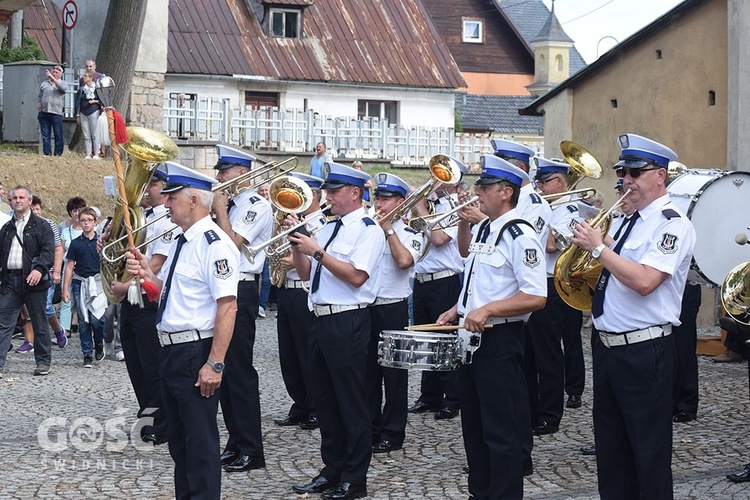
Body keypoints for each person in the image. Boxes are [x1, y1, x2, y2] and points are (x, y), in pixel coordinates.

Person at [570, 133, 696, 498]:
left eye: (635, 173)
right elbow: (615, 269)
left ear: (660, 175)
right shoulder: (629, 221)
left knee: (648, 454)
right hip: (608, 346)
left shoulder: (671, 224)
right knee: (612, 454)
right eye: (623, 172)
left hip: (645, 352)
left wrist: (598, 249)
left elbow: (644, 281)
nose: (626, 180)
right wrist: (597, 245)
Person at [125, 162, 239, 500]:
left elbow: (228, 306)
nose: (166, 202)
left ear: (193, 201)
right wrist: (146, 273)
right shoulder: (181, 241)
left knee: (200, 442)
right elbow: (167, 295)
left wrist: (215, 363)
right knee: (179, 441)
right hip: (172, 349)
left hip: (195, 351)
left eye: (172, 197)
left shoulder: (214, 243)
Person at [437, 154, 547, 498]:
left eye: (484, 187)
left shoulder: (520, 234)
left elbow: (535, 295)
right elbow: (476, 277)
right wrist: (458, 309)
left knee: (502, 431)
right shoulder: (485, 226)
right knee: (474, 427)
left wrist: (487, 310)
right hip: (472, 338)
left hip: (500, 339)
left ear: (505, 192)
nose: (477, 192)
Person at [289, 161, 384, 500]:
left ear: (355, 193)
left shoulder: (369, 229)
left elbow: (357, 276)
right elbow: (304, 274)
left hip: (348, 320)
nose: (327, 196)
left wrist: (317, 251)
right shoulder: (328, 228)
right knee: (325, 401)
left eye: (334, 191)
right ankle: (332, 469)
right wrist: (296, 244)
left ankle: (354, 478)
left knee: (351, 401)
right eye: (327, 190)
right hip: (319, 318)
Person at [211, 145, 272, 473]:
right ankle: (235, 441)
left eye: (224, 172)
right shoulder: (230, 204)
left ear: (242, 173)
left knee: (241, 371)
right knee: (224, 368)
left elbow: (232, 244)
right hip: (224, 286)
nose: (219, 178)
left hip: (243, 287)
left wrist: (220, 209)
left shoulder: (255, 205)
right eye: (219, 171)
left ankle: (252, 447)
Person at [109, 165, 176, 444]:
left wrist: (124, 285)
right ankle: (147, 416)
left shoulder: (168, 221)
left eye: (153, 183)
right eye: (147, 182)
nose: (146, 188)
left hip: (147, 297)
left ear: (165, 188)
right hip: (131, 302)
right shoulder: (141, 217)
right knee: (136, 364)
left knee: (151, 365)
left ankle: (162, 423)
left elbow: (157, 264)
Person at [525, 157, 584, 436]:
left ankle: (550, 414)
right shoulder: (542, 206)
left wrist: (542, 216)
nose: (539, 187)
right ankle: (531, 409)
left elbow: (550, 246)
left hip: (553, 285)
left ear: (559, 182)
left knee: (548, 353)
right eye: (538, 182)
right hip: (533, 284)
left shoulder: (568, 211)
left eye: (544, 182)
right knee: (530, 352)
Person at [407, 157, 468, 421]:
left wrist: (420, 208)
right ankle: (429, 395)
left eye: (441, 176)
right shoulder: (429, 205)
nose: (434, 181)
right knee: (425, 341)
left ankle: (453, 397)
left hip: (444, 281)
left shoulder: (455, 207)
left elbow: (441, 239)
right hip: (421, 280)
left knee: (446, 340)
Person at [367, 173, 424, 454]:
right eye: (378, 197)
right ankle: (371, 428)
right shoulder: (367, 229)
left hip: (392, 307)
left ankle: (392, 432)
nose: (379, 203)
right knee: (367, 374)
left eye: (386, 199)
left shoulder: (412, 233)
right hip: (366, 307)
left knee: (394, 375)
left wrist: (389, 230)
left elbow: (404, 262)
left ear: (401, 203)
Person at [273, 172, 325, 430]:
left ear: (313, 195)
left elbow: (327, 256)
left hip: (305, 290)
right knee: (289, 354)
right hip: (287, 288)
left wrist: (297, 260)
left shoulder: (322, 223)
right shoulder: (289, 220)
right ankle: (300, 404)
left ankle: (316, 406)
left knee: (308, 353)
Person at [0, 185, 56, 377]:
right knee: (4, 323)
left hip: (34, 281)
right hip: (10, 280)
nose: (18, 200)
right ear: (9, 201)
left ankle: (43, 361)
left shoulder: (42, 225)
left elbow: (49, 252)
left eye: (21, 197)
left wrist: (40, 270)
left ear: (29, 201)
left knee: (39, 322)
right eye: (14, 197)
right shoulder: (6, 228)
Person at [62, 207, 106, 367]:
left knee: (97, 318)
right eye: (83, 220)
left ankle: (99, 342)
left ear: (95, 222)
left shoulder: (101, 242)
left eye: (89, 220)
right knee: (82, 320)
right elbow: (69, 266)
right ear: (79, 222)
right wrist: (65, 288)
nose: (86, 223)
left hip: (98, 282)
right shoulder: (75, 243)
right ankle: (87, 352)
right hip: (79, 282)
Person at [672, 282, 701, 423]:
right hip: (663, 287)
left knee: (684, 346)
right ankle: (667, 402)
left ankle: (687, 404)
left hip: (685, 285)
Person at [59, 197, 86, 336]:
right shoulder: (66, 232)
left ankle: (86, 327)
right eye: (74, 210)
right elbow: (61, 251)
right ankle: (64, 328)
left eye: (79, 210)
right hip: (68, 268)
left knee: (85, 299)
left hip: (84, 269)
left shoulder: (89, 231)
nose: (77, 213)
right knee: (66, 297)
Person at [37, 65, 67, 156]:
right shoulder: (44, 83)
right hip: (44, 112)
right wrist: (39, 106)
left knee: (58, 134)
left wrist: (52, 78)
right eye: (54, 69)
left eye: (58, 70)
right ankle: (47, 153)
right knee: (46, 134)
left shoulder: (63, 83)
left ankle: (58, 153)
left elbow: (63, 89)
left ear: (61, 74)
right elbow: (39, 96)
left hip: (56, 113)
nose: (55, 71)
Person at [75, 69, 104, 160]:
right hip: (84, 112)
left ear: (91, 78)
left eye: (85, 76)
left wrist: (94, 101)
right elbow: (78, 102)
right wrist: (78, 114)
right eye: (84, 76)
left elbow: (102, 101)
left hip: (94, 111)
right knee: (86, 134)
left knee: (95, 133)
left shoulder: (96, 89)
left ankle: (97, 153)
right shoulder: (82, 89)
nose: (83, 78)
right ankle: (88, 154)